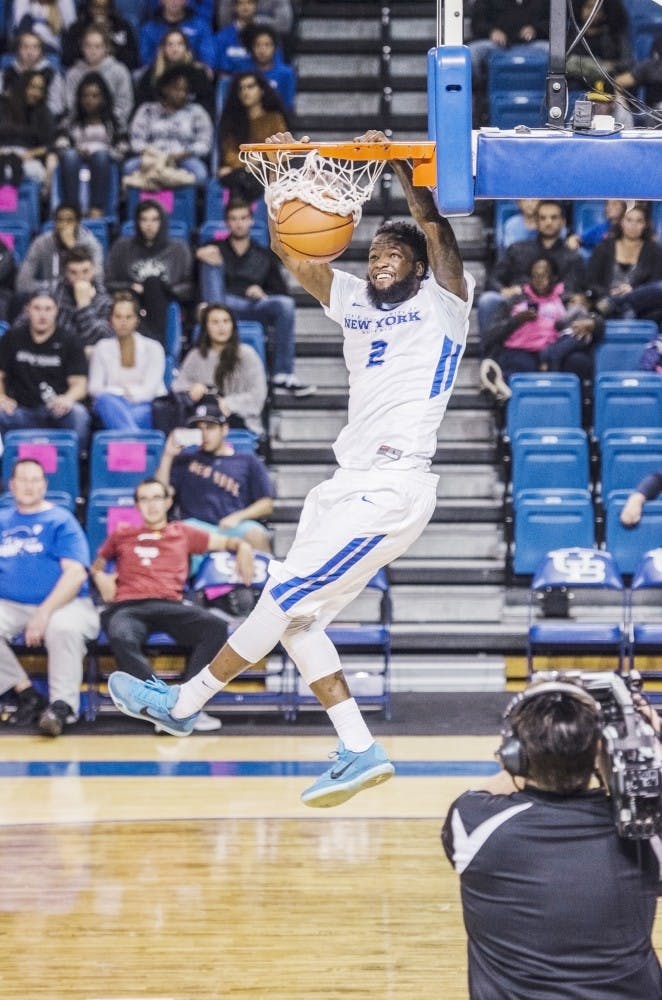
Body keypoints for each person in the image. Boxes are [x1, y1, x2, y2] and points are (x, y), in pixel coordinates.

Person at [108, 127, 476, 808]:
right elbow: (289, 250)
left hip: (393, 488)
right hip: (343, 488)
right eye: (375, 253)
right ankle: (359, 748)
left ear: (420, 266)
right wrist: (281, 178)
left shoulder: (445, 305)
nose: (380, 261)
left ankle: (186, 702)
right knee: (300, 622)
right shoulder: (356, 302)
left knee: (281, 599)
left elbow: (433, 224)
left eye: (395, 254)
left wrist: (392, 160)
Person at [442, 674, 662, 999]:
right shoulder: (645, 830)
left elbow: (500, 782)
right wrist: (641, 743)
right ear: (602, 748)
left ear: (513, 752)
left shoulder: (474, 823)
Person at [90, 476, 254, 733]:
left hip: (171, 603)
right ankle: (163, 708)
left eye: (157, 498)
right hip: (128, 606)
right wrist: (100, 577)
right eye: (144, 499)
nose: (151, 505)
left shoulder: (182, 532)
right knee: (120, 634)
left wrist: (243, 547)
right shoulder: (122, 534)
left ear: (167, 502)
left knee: (215, 627)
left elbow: (228, 542)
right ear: (137, 505)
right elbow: (97, 565)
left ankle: (187, 705)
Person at [0, 458, 100, 736]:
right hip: (9, 604)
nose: (29, 486)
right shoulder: (2, 520)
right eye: (23, 480)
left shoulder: (60, 521)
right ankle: (26, 692)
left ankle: (61, 708)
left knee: (62, 627)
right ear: (12, 485)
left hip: (65, 604)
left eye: (35, 480)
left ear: (44, 485)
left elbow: (75, 575)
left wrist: (43, 613)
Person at [196, 198, 313, 395]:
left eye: (243, 218)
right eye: (233, 219)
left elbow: (281, 291)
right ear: (227, 223)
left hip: (251, 306)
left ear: (251, 221)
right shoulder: (216, 246)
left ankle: (282, 374)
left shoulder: (264, 254)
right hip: (222, 303)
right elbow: (191, 274)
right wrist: (197, 252)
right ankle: (213, 317)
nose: (239, 223)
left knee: (285, 304)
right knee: (210, 258)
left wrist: (262, 293)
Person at [156, 398, 275, 551]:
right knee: (179, 532)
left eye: (210, 428)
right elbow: (161, 493)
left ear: (224, 429)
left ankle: (268, 575)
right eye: (200, 429)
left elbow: (267, 504)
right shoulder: (186, 460)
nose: (205, 434)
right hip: (197, 528)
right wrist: (167, 456)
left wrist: (238, 517)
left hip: (233, 526)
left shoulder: (247, 460)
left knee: (256, 534)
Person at [480, 258, 604, 399]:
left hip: (555, 347)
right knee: (523, 365)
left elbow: (596, 318)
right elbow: (491, 335)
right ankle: (502, 390)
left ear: (553, 278)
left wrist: (592, 323)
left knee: (578, 361)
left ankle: (578, 407)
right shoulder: (516, 300)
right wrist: (517, 320)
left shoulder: (565, 298)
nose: (539, 280)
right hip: (522, 349)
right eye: (535, 276)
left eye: (544, 275)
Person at [478, 200, 587, 350]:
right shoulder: (517, 249)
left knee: (578, 310)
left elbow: (572, 289)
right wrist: (504, 290)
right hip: (517, 304)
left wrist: (547, 300)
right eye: (543, 218)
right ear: (535, 222)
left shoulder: (573, 257)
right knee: (488, 300)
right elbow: (494, 279)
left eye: (554, 217)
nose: (548, 222)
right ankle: (490, 360)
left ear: (563, 222)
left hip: (555, 309)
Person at [0, 291, 90, 449]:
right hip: (19, 410)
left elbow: (80, 384)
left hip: (55, 411)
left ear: (56, 311)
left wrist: (68, 398)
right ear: (28, 310)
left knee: (78, 414)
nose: (43, 315)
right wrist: (1, 397)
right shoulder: (12, 337)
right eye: (37, 308)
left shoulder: (70, 340)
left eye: (48, 309)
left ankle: (75, 467)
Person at [162, 302, 267, 437]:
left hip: (239, 420)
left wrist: (228, 404)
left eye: (226, 321)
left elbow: (257, 395)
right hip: (200, 422)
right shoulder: (196, 355)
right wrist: (192, 389)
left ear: (232, 325)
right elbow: (177, 387)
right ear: (206, 327)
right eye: (215, 322)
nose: (221, 327)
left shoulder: (247, 354)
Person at [105, 197, 194, 346]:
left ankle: (157, 343)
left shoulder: (178, 249)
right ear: (137, 222)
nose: (149, 225)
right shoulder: (122, 247)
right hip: (132, 301)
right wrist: (130, 286)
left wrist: (163, 289)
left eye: (154, 220)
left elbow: (189, 288)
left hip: (163, 303)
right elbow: (108, 283)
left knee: (152, 283)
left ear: (162, 222)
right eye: (144, 220)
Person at [53, 71, 128, 217]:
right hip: (76, 157)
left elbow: (124, 147)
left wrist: (107, 152)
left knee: (100, 156)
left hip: (105, 159)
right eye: (85, 96)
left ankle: (97, 207)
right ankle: (73, 208)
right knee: (69, 156)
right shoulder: (71, 120)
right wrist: (75, 150)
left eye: (95, 96)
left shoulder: (113, 120)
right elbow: (60, 143)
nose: (89, 100)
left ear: (103, 98)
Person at [125, 64, 213, 187]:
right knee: (129, 168)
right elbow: (136, 141)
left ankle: (157, 179)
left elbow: (204, 143)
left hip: (184, 158)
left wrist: (185, 153)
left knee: (200, 174)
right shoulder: (147, 110)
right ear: (165, 89)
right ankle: (166, 178)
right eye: (177, 89)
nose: (181, 94)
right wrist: (153, 154)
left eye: (185, 90)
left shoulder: (197, 112)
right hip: (152, 157)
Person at [88, 291, 166, 429]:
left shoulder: (154, 348)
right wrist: (122, 395)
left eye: (128, 317)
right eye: (118, 317)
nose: (123, 322)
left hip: (147, 404)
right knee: (105, 401)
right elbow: (94, 388)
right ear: (110, 320)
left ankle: (129, 442)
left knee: (137, 414)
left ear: (137, 319)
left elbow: (149, 391)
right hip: (112, 404)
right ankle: (136, 442)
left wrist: (120, 393)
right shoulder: (102, 347)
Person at [216, 70, 288, 201]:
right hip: (240, 174)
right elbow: (229, 155)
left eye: (250, 87)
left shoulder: (274, 119)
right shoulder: (232, 121)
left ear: (261, 90)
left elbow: (280, 150)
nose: (245, 92)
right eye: (241, 88)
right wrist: (248, 164)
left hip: (268, 171)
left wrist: (253, 163)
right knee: (235, 177)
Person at [586, 201, 662, 322]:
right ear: (621, 222)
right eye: (629, 220)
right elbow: (591, 282)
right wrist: (609, 292)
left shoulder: (655, 251)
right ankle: (617, 304)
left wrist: (633, 290)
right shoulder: (604, 248)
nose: (634, 225)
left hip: (641, 308)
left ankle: (619, 303)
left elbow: (656, 285)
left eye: (639, 221)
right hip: (606, 301)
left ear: (645, 225)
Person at [49, 24, 134, 130]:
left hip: (112, 127)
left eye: (97, 46)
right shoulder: (73, 73)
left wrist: (107, 124)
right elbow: (70, 104)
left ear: (106, 48)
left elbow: (124, 103)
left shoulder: (120, 71)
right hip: (80, 127)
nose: (93, 51)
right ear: (82, 47)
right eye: (88, 46)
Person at [16, 202, 104, 299]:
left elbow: (98, 283)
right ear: (54, 222)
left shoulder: (91, 245)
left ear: (78, 223)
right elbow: (22, 283)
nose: (64, 225)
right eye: (60, 220)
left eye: (70, 220)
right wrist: (55, 287)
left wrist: (71, 249)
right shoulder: (42, 243)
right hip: (49, 299)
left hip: (81, 296)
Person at [133, 27, 214, 116]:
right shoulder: (151, 74)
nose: (175, 49)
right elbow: (142, 105)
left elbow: (206, 106)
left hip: (189, 120)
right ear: (163, 49)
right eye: (170, 44)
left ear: (187, 49)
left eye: (180, 44)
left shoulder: (198, 74)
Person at [50, 246, 114, 356]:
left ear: (93, 270)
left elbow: (100, 340)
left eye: (85, 271)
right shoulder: (52, 295)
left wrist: (84, 305)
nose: (80, 278)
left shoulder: (105, 301)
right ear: (65, 273)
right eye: (73, 273)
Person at [0, 69, 57, 189]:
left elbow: (50, 145)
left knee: (10, 168)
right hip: (2, 152)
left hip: (27, 157)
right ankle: (7, 205)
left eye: (40, 89)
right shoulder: (3, 107)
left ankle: (7, 205)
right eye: (32, 87)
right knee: (6, 166)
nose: (36, 93)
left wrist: (31, 153)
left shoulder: (44, 113)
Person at [60, 0, 139, 71]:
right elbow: (67, 59)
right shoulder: (77, 28)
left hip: (114, 72)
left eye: (104, 8)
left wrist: (110, 39)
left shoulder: (122, 27)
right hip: (84, 72)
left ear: (110, 9)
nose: (100, 12)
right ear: (89, 7)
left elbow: (133, 61)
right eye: (96, 7)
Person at [139, 0, 210, 66]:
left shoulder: (200, 26)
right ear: (161, 1)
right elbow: (145, 60)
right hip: (158, 73)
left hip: (192, 72)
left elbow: (207, 57)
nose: (173, 1)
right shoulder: (148, 29)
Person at [243, 24, 296, 111]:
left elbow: (287, 104)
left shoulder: (286, 73)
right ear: (252, 49)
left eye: (267, 45)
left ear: (275, 48)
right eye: (257, 45)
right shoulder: (245, 73)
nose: (262, 50)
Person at [10, 0, 77, 57]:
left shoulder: (62, 3)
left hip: (50, 47)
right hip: (27, 43)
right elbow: (18, 24)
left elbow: (71, 27)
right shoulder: (26, 4)